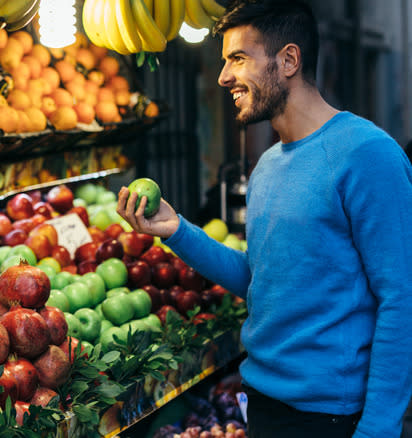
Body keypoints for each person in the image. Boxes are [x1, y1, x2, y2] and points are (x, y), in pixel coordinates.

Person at [116, 1, 412, 437]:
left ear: (289, 60)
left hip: (333, 417)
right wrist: (175, 230)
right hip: (264, 404)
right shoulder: (268, 166)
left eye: (238, 58)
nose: (223, 77)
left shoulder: (368, 154)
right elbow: (261, 280)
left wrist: (379, 430)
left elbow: (401, 298)